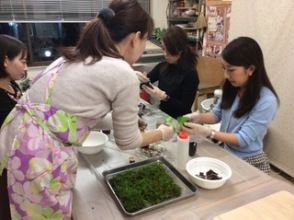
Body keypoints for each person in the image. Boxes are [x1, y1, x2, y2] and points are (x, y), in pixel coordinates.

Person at [0, 1, 174, 219]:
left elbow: (69, 115)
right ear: (135, 37)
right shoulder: (122, 72)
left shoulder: (77, 54)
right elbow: (127, 142)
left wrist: (114, 121)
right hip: (36, 156)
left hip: (15, 142)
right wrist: (164, 132)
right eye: (146, 40)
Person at [182, 37, 279, 174]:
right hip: (226, 150)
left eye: (231, 70)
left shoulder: (267, 101)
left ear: (250, 69)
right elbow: (217, 114)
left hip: (249, 160)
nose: (226, 75)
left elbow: (242, 139)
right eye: (224, 69)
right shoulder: (233, 86)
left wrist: (209, 132)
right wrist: (197, 117)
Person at [137, 26, 199, 118]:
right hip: (163, 115)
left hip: (180, 119)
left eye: (169, 50)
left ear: (180, 50)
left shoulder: (190, 74)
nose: (165, 54)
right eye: (163, 49)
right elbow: (145, 82)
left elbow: (184, 108)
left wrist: (165, 97)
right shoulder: (163, 67)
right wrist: (141, 79)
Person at [0, 35, 27, 220]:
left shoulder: (12, 84)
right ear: (5, 61)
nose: (25, 67)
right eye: (22, 61)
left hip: (20, 160)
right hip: (5, 168)